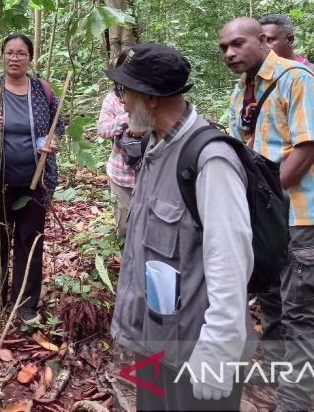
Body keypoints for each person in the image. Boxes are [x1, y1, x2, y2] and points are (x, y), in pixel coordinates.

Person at [109, 44, 254, 411]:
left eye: (126, 92)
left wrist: (218, 349)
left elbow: (230, 260)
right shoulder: (155, 149)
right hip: (156, 342)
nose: (122, 102)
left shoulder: (211, 160)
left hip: (195, 350)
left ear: (151, 98)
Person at [219, 18, 314, 411]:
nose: (229, 54)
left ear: (263, 41)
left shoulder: (298, 79)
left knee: (302, 311)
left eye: (237, 44)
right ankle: (279, 380)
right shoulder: (243, 91)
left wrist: (268, 197)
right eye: (223, 48)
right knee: (272, 301)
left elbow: (308, 146)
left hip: (303, 216)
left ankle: (293, 402)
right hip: (268, 219)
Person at [0, 33, 63, 325]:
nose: (15, 58)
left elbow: (59, 126)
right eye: (9, 52)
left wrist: (50, 140)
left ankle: (26, 305)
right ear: (2, 56)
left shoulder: (42, 91)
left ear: (30, 58)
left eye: (21, 53)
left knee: (29, 240)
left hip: (36, 182)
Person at [260, 13, 314, 131]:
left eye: (270, 40)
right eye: (261, 41)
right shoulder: (263, 77)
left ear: (290, 40)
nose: (264, 46)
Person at [97, 53, 138, 239]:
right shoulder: (113, 99)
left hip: (149, 175)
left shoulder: (155, 98)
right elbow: (102, 129)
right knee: (125, 229)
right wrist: (127, 120)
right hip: (121, 174)